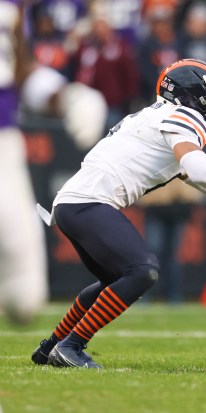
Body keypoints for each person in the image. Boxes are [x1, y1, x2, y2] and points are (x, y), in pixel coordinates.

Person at [31, 59, 206, 369]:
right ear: (195, 95)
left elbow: (198, 174)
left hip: (72, 204)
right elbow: (200, 172)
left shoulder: (153, 116)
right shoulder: (184, 115)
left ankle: (51, 346)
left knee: (113, 279)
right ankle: (71, 347)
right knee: (142, 271)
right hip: (89, 203)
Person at [0, 0, 48, 325]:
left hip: (4, 131)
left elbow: (21, 66)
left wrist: (63, 93)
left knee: (17, 228)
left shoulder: (14, 9)